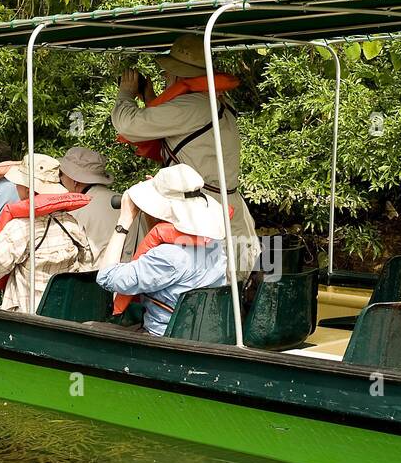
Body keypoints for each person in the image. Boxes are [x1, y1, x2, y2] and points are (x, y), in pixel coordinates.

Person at [111, 34, 258, 275]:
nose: (165, 77)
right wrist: (149, 97)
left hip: (201, 217)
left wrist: (125, 93)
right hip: (227, 209)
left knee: (194, 288)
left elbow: (128, 125)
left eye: (168, 73)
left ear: (179, 75)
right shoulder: (215, 100)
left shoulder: (193, 105)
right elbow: (173, 132)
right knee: (228, 290)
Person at [94, 164, 228, 336]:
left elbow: (107, 277)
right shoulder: (215, 243)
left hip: (163, 339)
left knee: (91, 327)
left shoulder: (169, 257)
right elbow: (165, 236)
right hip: (201, 334)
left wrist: (124, 220)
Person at [0, 155, 94, 313]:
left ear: (27, 190)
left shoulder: (21, 228)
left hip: (27, 320)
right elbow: (86, 266)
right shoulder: (72, 224)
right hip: (63, 313)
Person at [58, 145, 120, 261]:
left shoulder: (77, 210)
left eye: (61, 174)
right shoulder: (122, 199)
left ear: (75, 181)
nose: (60, 179)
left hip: (99, 275)